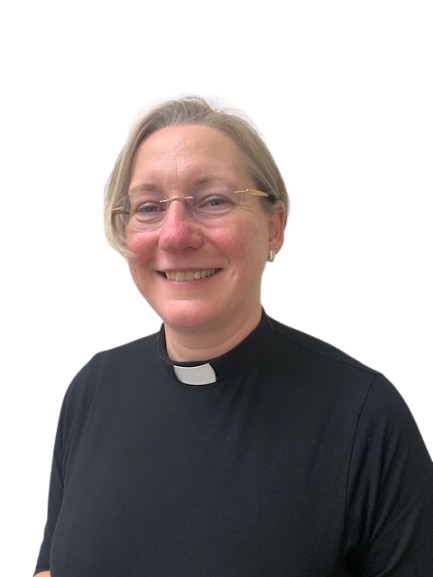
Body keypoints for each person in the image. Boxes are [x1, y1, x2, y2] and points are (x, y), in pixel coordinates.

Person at [34, 95, 433, 577]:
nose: (175, 235)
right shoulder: (93, 388)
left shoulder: (363, 416)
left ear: (274, 227)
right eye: (149, 207)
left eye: (214, 201)